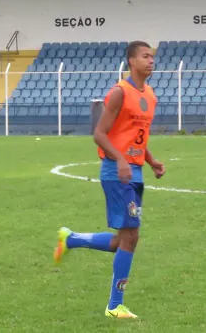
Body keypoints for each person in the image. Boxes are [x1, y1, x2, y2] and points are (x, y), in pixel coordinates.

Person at [52, 41, 165, 319]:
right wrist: (122, 160)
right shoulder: (119, 93)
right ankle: (115, 305)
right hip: (117, 172)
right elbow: (100, 134)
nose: (151, 61)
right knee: (131, 236)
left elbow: (135, 135)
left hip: (134, 171)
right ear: (131, 61)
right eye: (145, 56)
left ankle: (71, 239)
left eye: (152, 56)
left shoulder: (150, 95)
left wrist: (150, 160)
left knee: (122, 239)